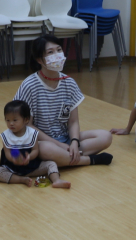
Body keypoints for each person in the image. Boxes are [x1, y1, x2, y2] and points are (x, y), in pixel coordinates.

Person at [14, 35, 113, 169]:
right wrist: (59, 145)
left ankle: (64, 158)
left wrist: (74, 142)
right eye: (50, 52)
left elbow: (73, 122)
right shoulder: (29, 85)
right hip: (42, 141)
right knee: (46, 149)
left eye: (59, 50)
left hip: (65, 139)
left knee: (105, 136)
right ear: (39, 60)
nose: (57, 55)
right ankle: (89, 160)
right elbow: (28, 126)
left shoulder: (69, 83)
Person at [0, 100, 70, 188]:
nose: (11, 123)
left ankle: (56, 180)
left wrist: (29, 157)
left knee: (51, 164)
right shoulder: (6, 135)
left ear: (26, 120)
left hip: (32, 167)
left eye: (15, 120)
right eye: (8, 120)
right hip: (12, 169)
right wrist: (14, 159)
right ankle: (21, 180)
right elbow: (7, 153)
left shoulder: (32, 133)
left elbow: (35, 150)